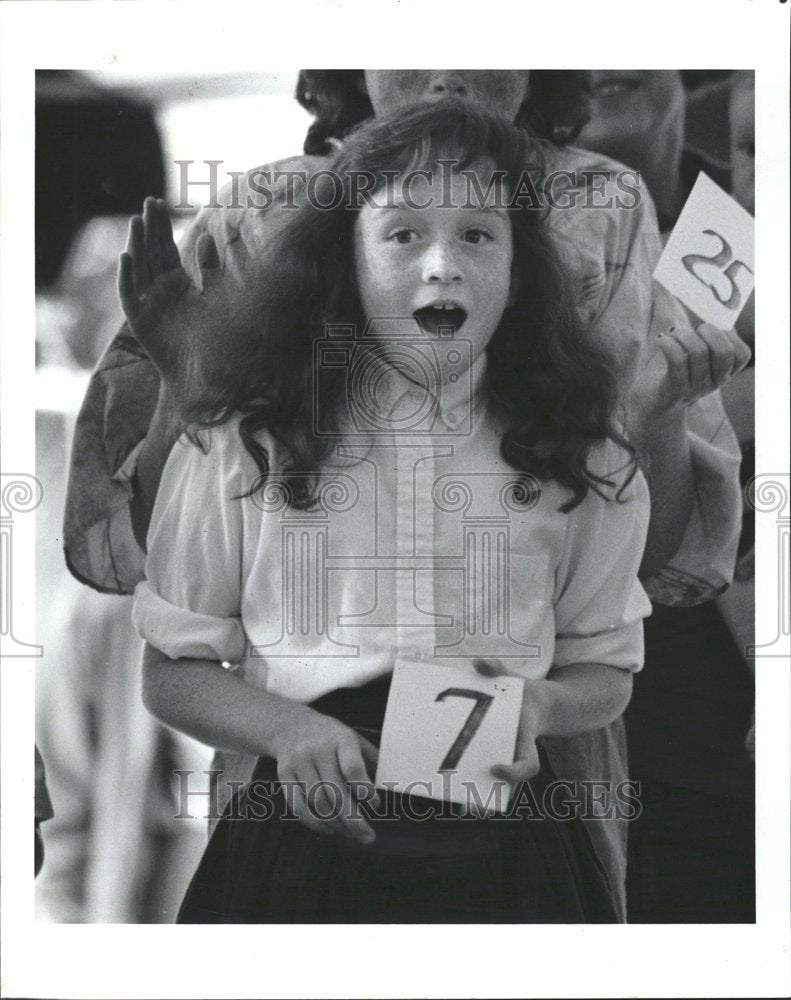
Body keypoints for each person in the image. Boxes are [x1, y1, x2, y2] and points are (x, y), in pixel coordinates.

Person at [64, 69, 749, 919]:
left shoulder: (602, 218)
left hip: (521, 794)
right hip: (296, 803)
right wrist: (186, 389)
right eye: (399, 234)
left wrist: (648, 420)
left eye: (477, 234)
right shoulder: (260, 295)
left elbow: (619, 613)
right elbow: (163, 607)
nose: (441, 266)